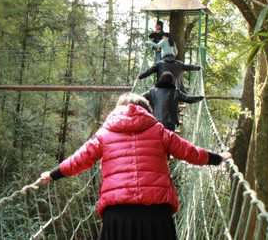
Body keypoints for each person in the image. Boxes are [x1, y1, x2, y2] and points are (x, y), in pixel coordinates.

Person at [40, 93, 231, 240]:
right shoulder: (159, 131)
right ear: (147, 110)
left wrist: (54, 174)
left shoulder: (104, 134)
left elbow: (79, 160)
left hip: (117, 216)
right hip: (156, 216)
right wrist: (217, 158)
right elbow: (190, 152)